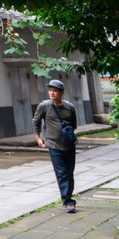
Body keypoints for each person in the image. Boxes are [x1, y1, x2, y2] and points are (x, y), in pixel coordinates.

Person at [33, 79, 78, 213]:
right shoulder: (44, 106)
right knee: (62, 173)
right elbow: (36, 122)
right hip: (53, 145)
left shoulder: (69, 107)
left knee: (69, 173)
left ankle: (68, 195)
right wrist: (38, 138)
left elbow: (74, 125)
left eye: (55, 91)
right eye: (50, 90)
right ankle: (68, 201)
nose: (52, 93)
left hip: (69, 145)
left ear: (61, 93)